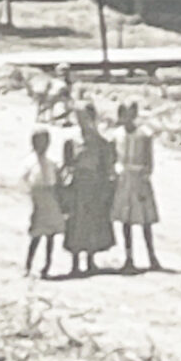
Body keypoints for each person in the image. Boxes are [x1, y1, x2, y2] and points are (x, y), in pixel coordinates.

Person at [63, 102, 118, 276]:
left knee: (93, 221)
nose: (81, 122)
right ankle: (74, 263)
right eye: (78, 118)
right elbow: (67, 164)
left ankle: (90, 260)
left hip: (95, 186)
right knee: (75, 222)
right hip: (77, 186)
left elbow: (107, 166)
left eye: (84, 118)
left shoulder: (101, 142)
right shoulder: (72, 141)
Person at [112, 100, 161, 272]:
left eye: (130, 114)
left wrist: (144, 178)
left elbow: (149, 161)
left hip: (139, 180)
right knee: (126, 220)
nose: (127, 118)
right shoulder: (116, 135)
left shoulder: (144, 135)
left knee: (145, 220)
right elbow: (113, 158)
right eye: (124, 114)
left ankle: (152, 257)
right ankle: (128, 257)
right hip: (124, 179)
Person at [22, 127, 66, 277]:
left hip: (50, 200)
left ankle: (47, 265)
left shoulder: (52, 162)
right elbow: (26, 182)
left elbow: (57, 182)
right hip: (38, 201)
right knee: (36, 235)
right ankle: (28, 265)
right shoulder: (30, 162)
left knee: (50, 236)